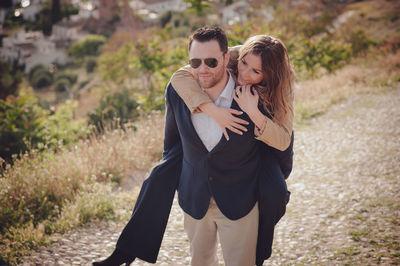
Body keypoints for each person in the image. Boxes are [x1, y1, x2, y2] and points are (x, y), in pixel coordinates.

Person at [93, 26, 294, 266]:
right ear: (236, 58)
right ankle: (125, 251)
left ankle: (262, 253)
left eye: (211, 61)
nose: (203, 68)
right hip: (196, 197)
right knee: (158, 179)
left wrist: (253, 113)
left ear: (224, 58)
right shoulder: (185, 85)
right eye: (195, 62)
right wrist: (213, 111)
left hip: (241, 197)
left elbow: (283, 141)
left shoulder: (269, 94)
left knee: (274, 192)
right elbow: (178, 84)